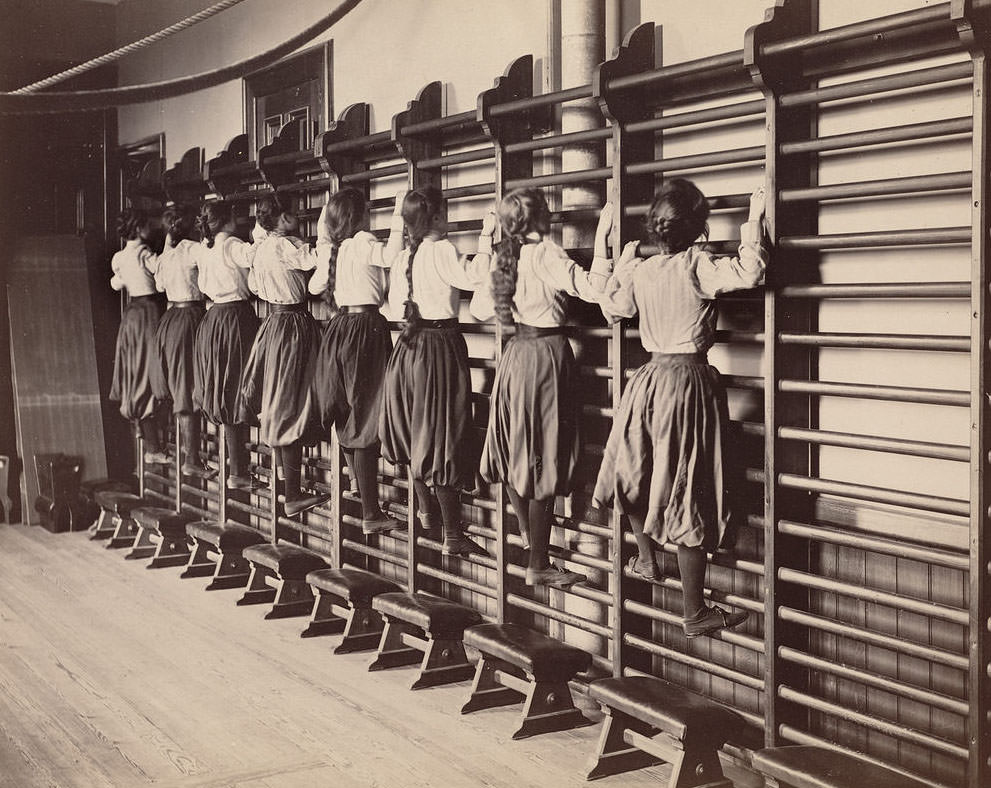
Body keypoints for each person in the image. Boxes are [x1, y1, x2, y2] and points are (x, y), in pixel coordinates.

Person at [593, 178, 767, 638]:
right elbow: (751, 272)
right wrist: (754, 220)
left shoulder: (643, 270)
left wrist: (621, 260)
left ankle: (647, 558)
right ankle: (694, 611)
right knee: (691, 487)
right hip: (688, 383)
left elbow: (610, 307)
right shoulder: (698, 264)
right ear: (699, 228)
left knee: (632, 469)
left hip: (647, 381)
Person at [472, 188, 612, 587]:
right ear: (538, 219)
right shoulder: (545, 252)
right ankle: (538, 561)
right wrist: (601, 242)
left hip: (515, 355)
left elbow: (481, 308)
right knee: (544, 452)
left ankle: (531, 542)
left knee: (518, 450)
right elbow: (592, 289)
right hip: (547, 356)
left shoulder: (505, 255)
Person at [380, 185, 495, 556]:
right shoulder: (442, 250)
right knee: (443, 434)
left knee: (418, 434)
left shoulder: (402, 259)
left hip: (408, 349)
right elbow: (476, 278)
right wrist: (487, 237)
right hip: (439, 349)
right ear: (434, 219)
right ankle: (452, 535)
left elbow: (393, 308)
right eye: (443, 215)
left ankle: (428, 514)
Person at [308, 187, 405, 534]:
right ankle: (370, 512)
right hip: (366, 330)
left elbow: (313, 286)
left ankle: (357, 486)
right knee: (367, 416)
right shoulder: (363, 241)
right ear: (360, 216)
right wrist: (398, 210)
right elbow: (393, 254)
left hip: (339, 330)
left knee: (348, 412)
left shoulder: (335, 249)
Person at [238, 195, 329, 517]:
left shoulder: (260, 247)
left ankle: (286, 483)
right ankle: (291, 493)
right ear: (283, 218)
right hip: (292, 325)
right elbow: (315, 259)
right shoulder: (284, 245)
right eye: (293, 214)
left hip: (273, 323)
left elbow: (254, 284)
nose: (297, 218)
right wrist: (327, 233)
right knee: (290, 402)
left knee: (278, 401)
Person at [193, 200, 261, 489]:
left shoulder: (204, 248)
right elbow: (255, 256)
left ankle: (237, 469)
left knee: (226, 388)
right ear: (227, 220)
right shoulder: (232, 244)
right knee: (240, 389)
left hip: (214, 319)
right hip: (236, 319)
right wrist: (263, 231)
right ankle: (239, 472)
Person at [151, 204, 213, 478]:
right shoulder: (192, 249)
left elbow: (160, 287)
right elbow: (211, 268)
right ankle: (191, 459)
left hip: (170, 319)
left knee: (180, 386)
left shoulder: (167, 254)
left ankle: (190, 456)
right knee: (188, 386)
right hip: (189, 318)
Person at [109, 207, 168, 466]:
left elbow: (116, 283)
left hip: (131, 314)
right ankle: (153, 447)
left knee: (135, 372)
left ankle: (146, 437)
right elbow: (160, 276)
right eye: (147, 225)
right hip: (147, 313)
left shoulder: (119, 257)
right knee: (147, 373)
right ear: (139, 228)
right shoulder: (145, 253)